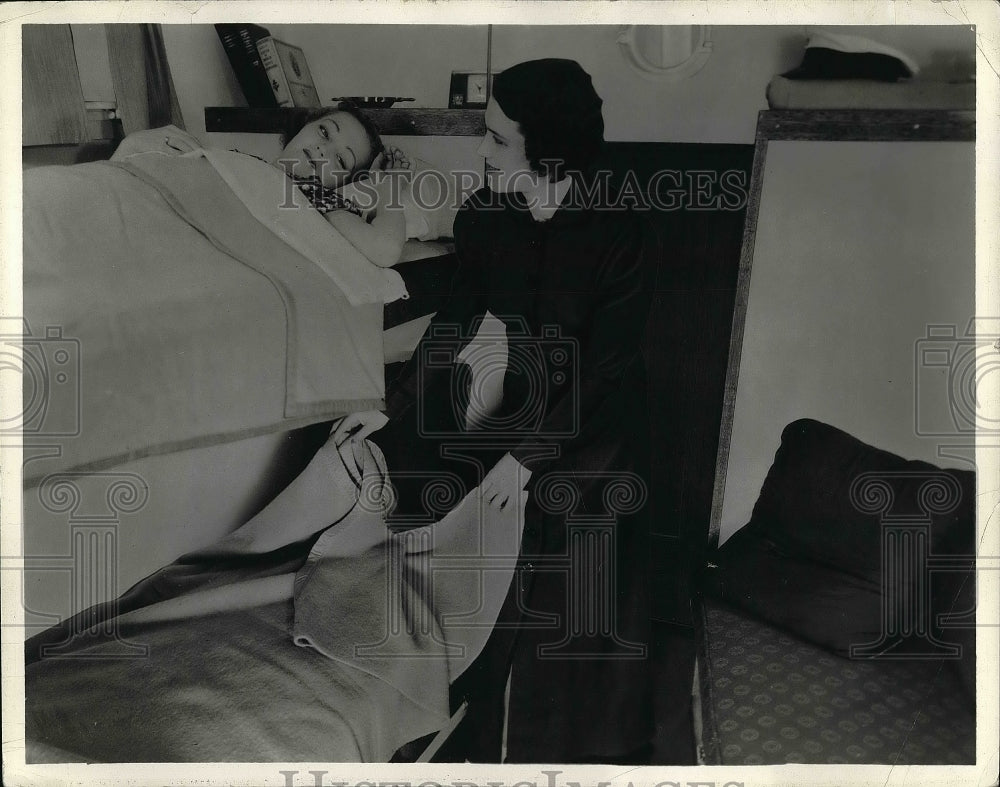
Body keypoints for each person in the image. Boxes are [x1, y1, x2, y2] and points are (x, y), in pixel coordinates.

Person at [333, 58, 657, 763]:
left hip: (594, 422)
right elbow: (453, 326)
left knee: (562, 539)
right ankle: (436, 707)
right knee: (425, 486)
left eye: (500, 139)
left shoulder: (618, 228)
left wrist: (528, 456)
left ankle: (550, 745)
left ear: (549, 150)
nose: (482, 151)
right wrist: (385, 407)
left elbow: (607, 372)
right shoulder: (486, 216)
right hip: (520, 400)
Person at [113, 102, 407, 266]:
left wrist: (390, 185)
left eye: (341, 161)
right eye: (323, 131)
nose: (322, 150)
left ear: (342, 183)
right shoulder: (244, 161)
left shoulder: (311, 195)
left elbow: (385, 249)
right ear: (303, 125)